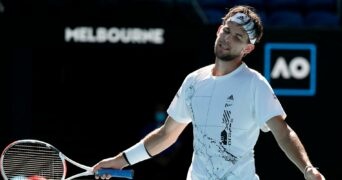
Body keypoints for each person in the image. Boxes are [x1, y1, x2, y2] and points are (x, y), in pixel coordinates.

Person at [92, 5, 325, 180]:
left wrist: (307, 169)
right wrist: (120, 161)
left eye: (238, 37)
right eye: (227, 30)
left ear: (248, 48)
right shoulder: (194, 81)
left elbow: (283, 133)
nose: (228, 39)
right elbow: (166, 135)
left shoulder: (255, 84)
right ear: (218, 30)